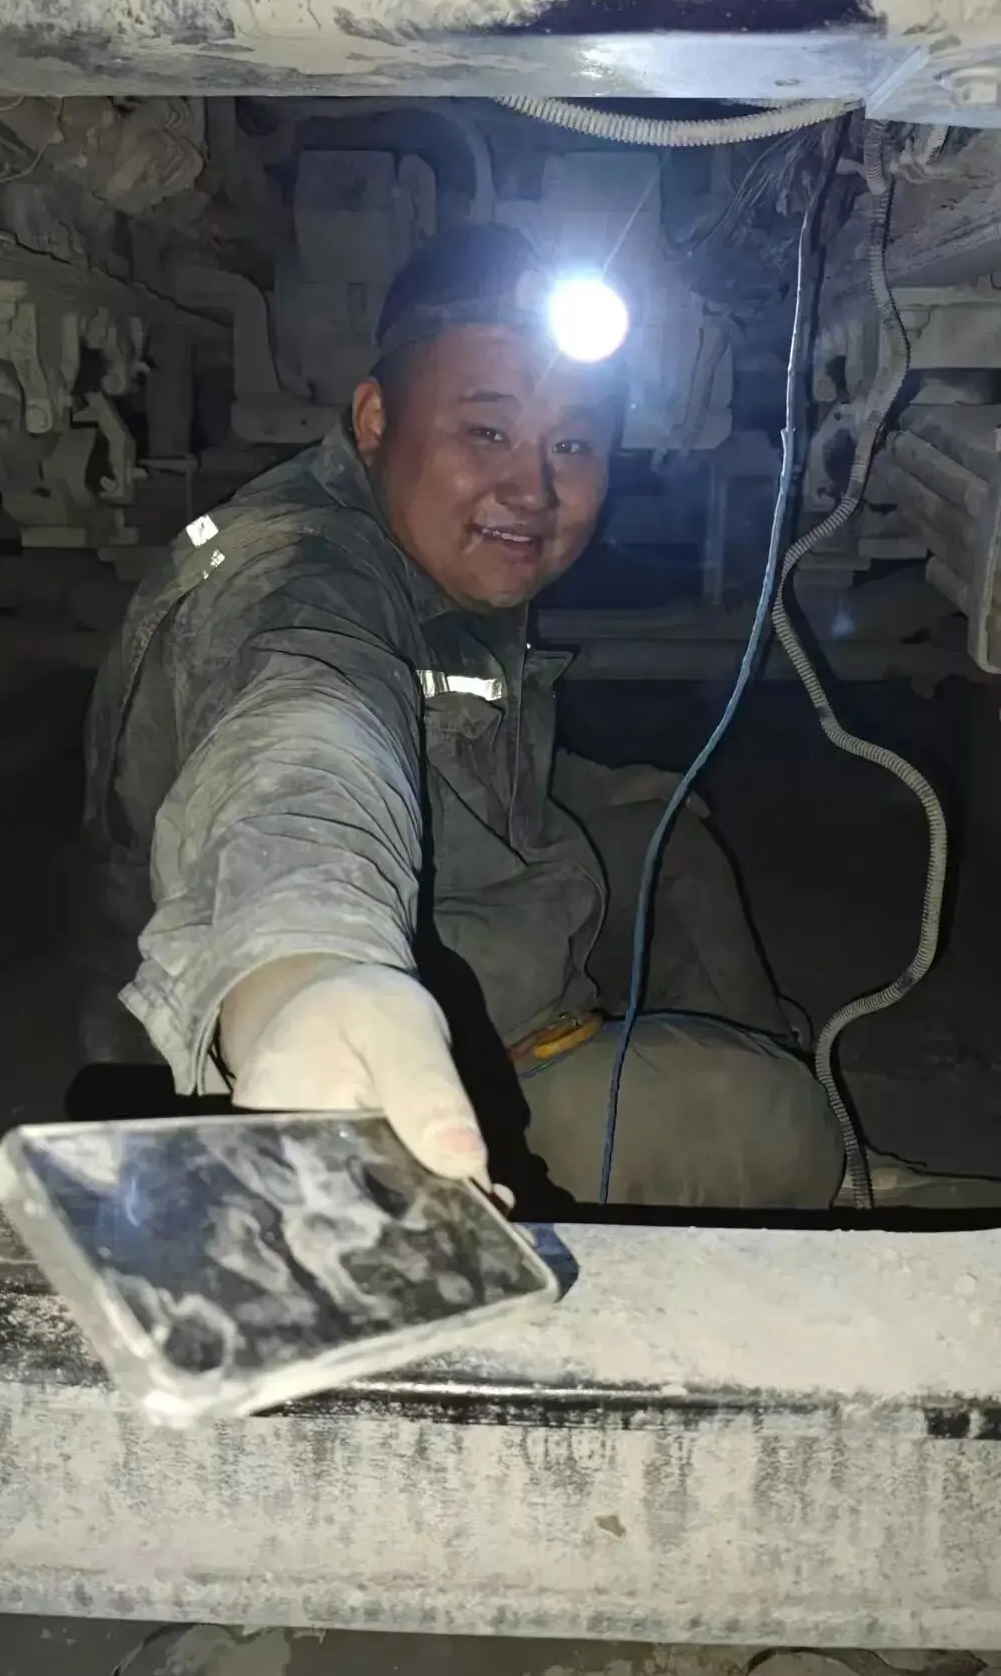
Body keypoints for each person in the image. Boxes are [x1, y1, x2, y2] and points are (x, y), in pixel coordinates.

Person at [83, 223, 845, 1213]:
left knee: (659, 833)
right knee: (767, 1119)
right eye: (486, 433)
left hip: (448, 926)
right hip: (295, 1083)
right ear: (374, 418)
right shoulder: (296, 573)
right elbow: (304, 730)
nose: (533, 488)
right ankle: (771, 1175)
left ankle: (697, 1079)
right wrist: (306, 974)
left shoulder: (399, 524)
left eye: (573, 444)